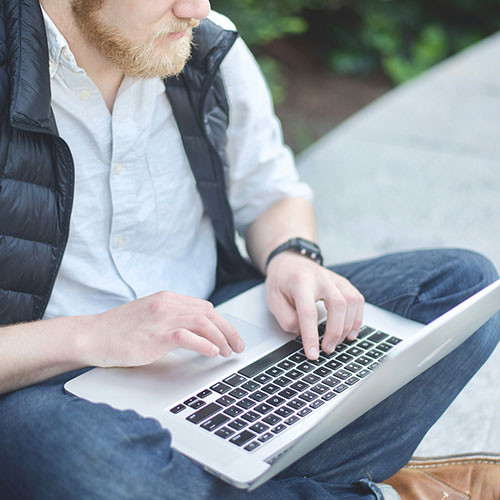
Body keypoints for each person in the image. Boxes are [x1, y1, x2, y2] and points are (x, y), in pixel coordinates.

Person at [0, 0, 498, 498]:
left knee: (461, 287)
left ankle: (194, 479)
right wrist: (92, 336)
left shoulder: (200, 38)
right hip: (54, 385)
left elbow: (271, 192)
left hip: (219, 336)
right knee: (74, 457)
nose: (197, 8)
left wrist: (292, 257)